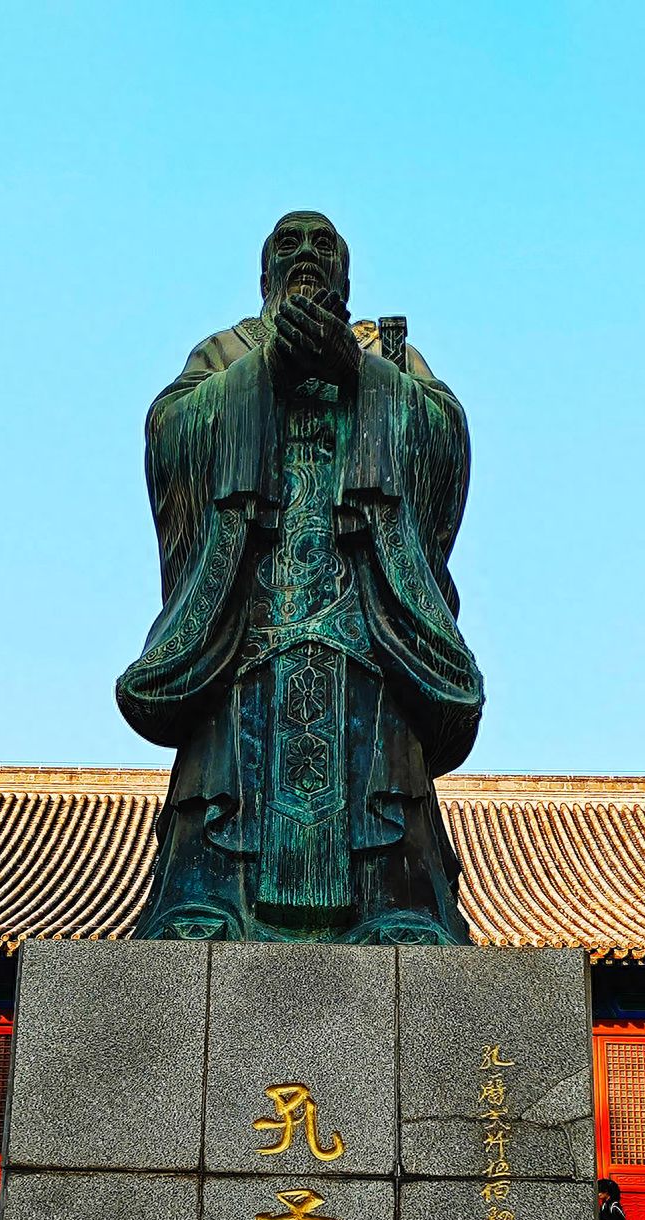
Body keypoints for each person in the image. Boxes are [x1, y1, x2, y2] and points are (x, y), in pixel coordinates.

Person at [117, 211, 484, 945]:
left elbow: (444, 434)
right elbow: (169, 428)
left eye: (324, 245)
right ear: (264, 276)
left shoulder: (392, 359)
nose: (307, 255)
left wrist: (364, 376)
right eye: (290, 244)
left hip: (366, 616)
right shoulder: (227, 352)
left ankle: (399, 902)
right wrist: (258, 379)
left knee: (382, 758)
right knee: (226, 759)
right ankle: (208, 897)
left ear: (347, 274)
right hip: (249, 614)